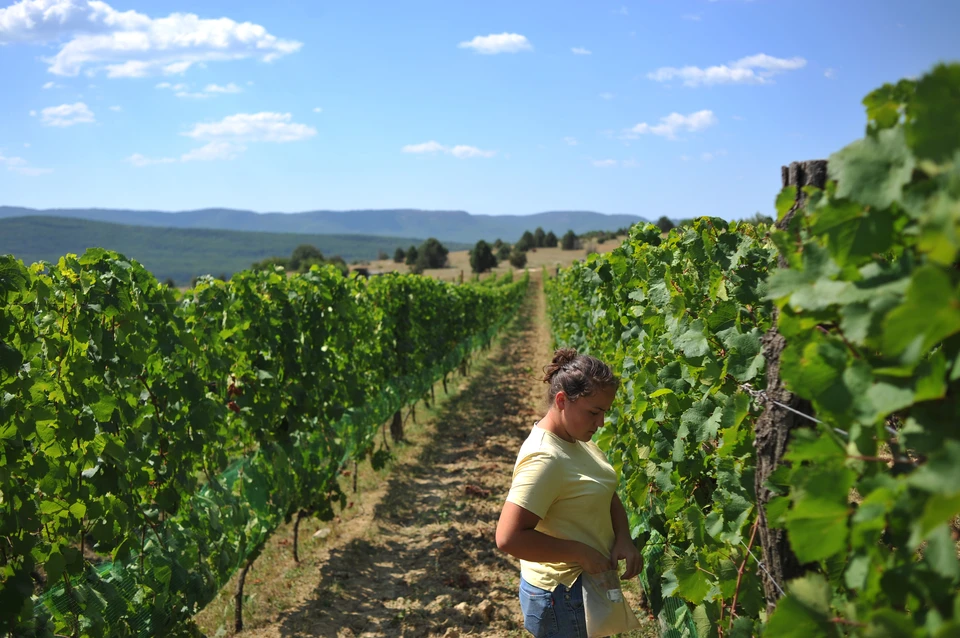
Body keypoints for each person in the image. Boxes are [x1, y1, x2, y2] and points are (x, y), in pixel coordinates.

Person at [496, 348, 642, 638]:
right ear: (562, 401)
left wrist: (623, 537)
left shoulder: (576, 441)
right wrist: (580, 552)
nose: (600, 423)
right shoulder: (545, 458)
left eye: (604, 412)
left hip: (578, 588)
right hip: (561, 597)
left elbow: (605, 491)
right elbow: (508, 537)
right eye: (593, 412)